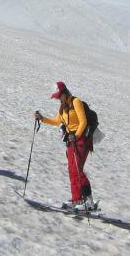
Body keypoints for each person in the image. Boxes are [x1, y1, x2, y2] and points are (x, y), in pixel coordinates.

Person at [35, 81, 97, 212]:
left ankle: (89, 201)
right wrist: (42, 118)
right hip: (71, 140)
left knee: (77, 169)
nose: (57, 98)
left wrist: (76, 135)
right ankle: (77, 200)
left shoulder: (76, 102)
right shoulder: (62, 107)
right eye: (56, 96)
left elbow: (83, 121)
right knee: (71, 170)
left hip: (82, 140)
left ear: (64, 92)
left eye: (58, 95)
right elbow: (57, 121)